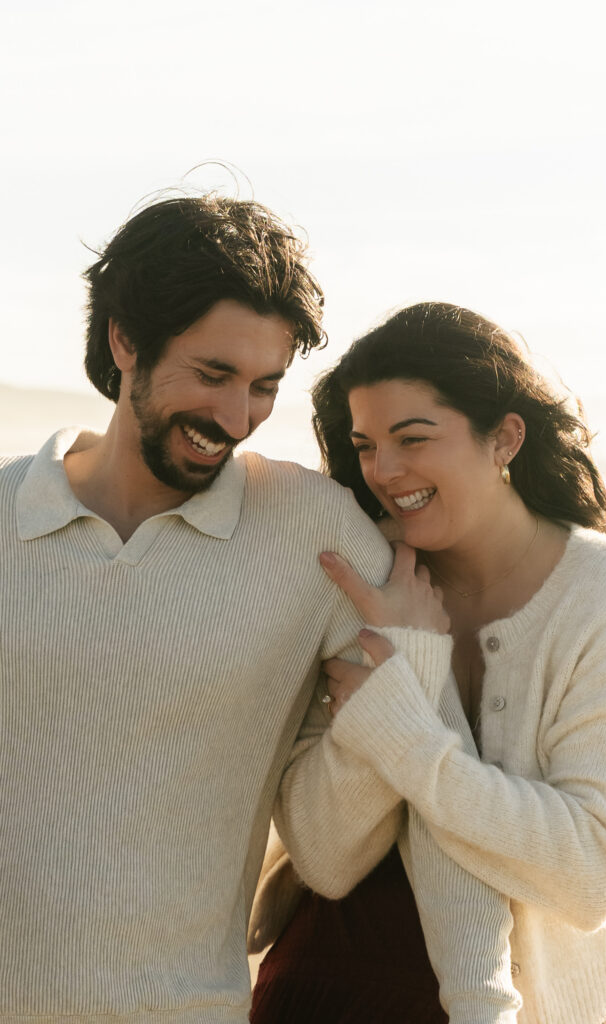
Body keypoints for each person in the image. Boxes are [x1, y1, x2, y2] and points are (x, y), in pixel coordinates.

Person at [0, 209, 520, 1024]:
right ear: (125, 342)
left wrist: (484, 1009)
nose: (237, 419)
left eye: (264, 386)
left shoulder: (314, 538)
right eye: (212, 374)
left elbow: (396, 818)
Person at [251, 302, 606, 1024]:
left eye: (411, 438)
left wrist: (404, 732)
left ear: (504, 438)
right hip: (337, 984)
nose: (384, 472)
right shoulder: (360, 582)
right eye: (363, 446)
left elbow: (587, 872)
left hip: (552, 999)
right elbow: (324, 857)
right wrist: (411, 660)